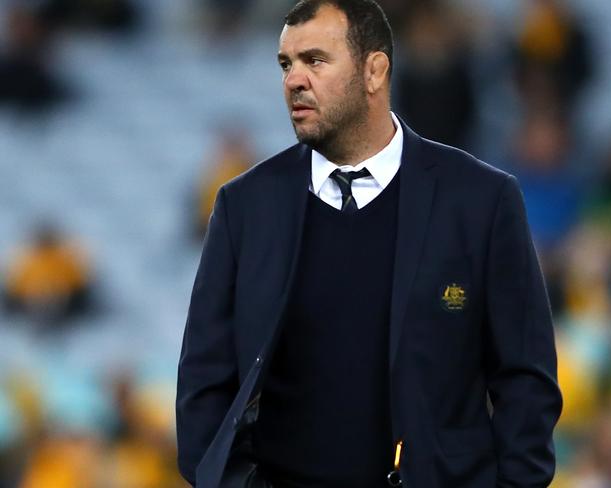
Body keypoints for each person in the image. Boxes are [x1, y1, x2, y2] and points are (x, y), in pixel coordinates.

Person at [175, 1, 563, 487]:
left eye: (314, 60)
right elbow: (202, 386)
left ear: (375, 70)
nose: (294, 80)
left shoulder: (481, 200)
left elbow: (526, 378)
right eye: (285, 64)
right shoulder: (244, 207)